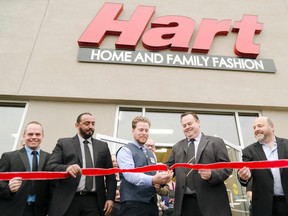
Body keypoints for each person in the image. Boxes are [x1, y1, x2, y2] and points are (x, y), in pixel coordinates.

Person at [46, 112, 117, 216]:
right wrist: (67, 168)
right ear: (77, 125)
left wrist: (110, 198)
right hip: (69, 200)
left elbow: (110, 175)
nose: (90, 127)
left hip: (94, 201)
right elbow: (50, 166)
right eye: (87, 123)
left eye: (93, 124)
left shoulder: (103, 146)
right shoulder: (64, 143)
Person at [166, 111, 232, 216]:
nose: (187, 127)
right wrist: (162, 175)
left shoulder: (215, 142)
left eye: (190, 123)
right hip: (184, 204)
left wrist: (212, 174)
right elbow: (168, 167)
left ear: (198, 122)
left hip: (211, 203)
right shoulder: (177, 147)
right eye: (184, 125)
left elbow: (227, 167)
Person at [117, 116, 172, 216]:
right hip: (133, 204)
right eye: (140, 130)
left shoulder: (152, 154)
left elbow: (155, 177)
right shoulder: (125, 150)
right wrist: (154, 179)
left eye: (146, 130)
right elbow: (130, 175)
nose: (144, 133)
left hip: (152, 204)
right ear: (133, 130)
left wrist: (163, 180)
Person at [238, 116, 288, 216]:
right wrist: (243, 176)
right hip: (263, 206)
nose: (256, 129)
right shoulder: (249, 151)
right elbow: (244, 175)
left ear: (271, 127)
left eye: (260, 126)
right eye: (254, 128)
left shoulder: (286, 145)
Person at [0, 121, 52, 216]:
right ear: (24, 136)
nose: (34, 137)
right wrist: (8, 188)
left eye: (37, 134)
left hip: (39, 211)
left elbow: (53, 186)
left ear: (42, 136)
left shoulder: (50, 158)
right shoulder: (8, 157)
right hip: (13, 209)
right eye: (30, 134)